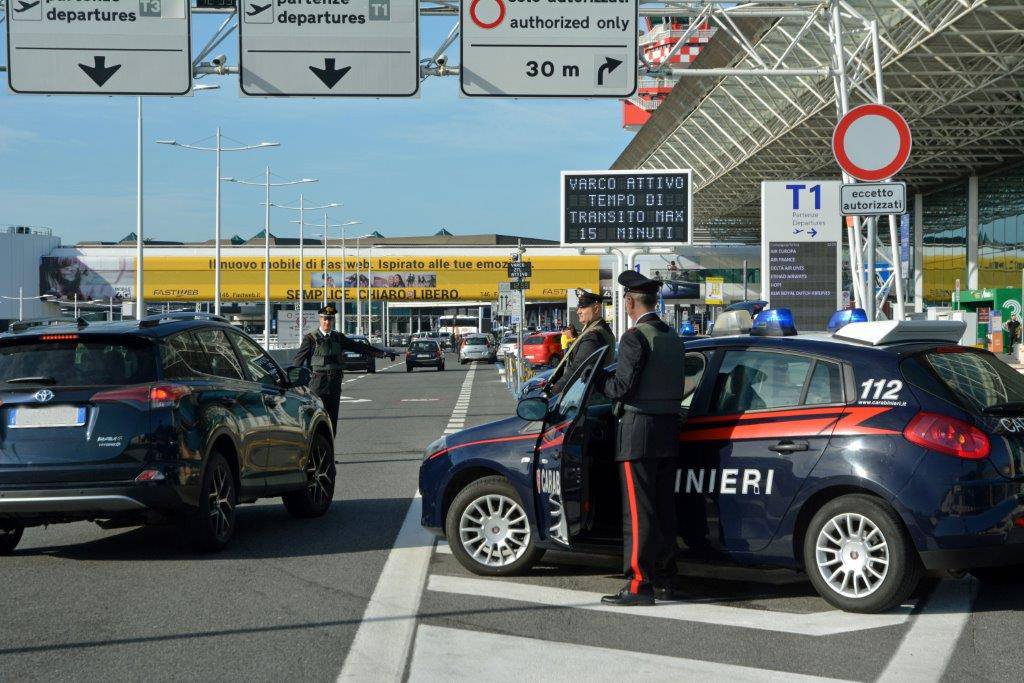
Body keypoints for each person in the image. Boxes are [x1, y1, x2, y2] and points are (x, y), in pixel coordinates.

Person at [595, 271, 685, 607]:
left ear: (630, 302)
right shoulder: (672, 337)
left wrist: (597, 386)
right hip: (667, 431)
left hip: (637, 432)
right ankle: (665, 579)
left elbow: (621, 387)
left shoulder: (634, 337)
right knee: (663, 509)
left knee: (638, 512)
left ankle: (637, 584)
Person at [293, 305, 394, 433]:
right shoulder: (310, 339)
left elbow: (359, 347)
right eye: (324, 319)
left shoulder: (338, 338)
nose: (327, 322)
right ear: (320, 319)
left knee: (332, 421)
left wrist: (382, 353)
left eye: (330, 319)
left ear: (333, 320)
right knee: (316, 419)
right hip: (317, 384)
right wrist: (293, 382)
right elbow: (297, 361)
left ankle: (329, 449)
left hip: (335, 383)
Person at [548, 290, 615, 394]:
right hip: (587, 391)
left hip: (587, 397)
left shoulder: (594, 334)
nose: (578, 311)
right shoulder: (595, 329)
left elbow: (577, 368)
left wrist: (553, 391)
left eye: (582, 307)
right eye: (579, 307)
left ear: (596, 308)